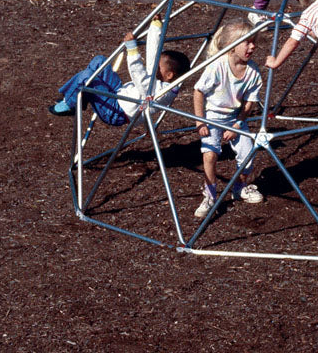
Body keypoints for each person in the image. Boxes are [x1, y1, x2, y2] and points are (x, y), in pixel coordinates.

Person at [48, 15, 189, 125]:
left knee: (87, 77)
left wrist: (132, 50)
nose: (154, 66)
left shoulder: (163, 92)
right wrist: (155, 26)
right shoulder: (162, 78)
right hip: (119, 93)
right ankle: (77, 98)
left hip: (116, 111)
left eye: (159, 66)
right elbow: (154, 53)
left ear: (169, 75)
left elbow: (140, 79)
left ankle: (70, 104)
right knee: (100, 61)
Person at [193, 20, 265, 218]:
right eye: (248, 42)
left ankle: (240, 187)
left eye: (254, 42)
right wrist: (200, 121)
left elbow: (249, 102)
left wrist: (237, 124)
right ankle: (210, 194)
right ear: (232, 46)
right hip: (213, 116)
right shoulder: (217, 66)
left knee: (248, 153)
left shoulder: (253, 71)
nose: (253, 46)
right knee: (209, 154)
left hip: (235, 117)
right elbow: (198, 91)